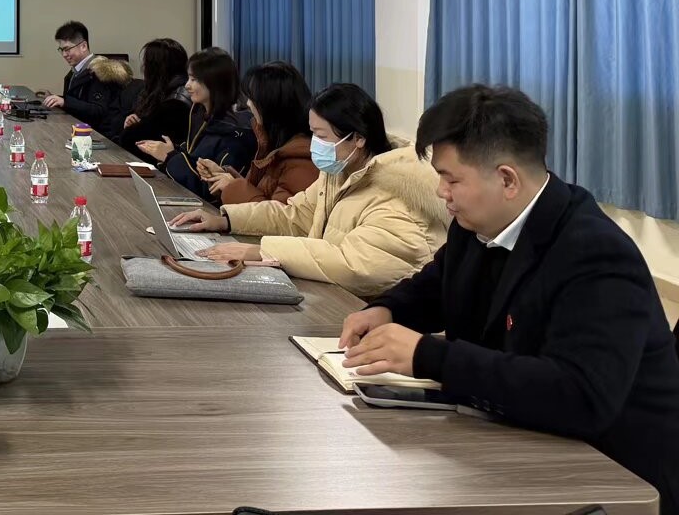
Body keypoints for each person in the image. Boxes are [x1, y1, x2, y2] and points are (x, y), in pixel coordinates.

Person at [341, 85, 679, 513]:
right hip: (516, 442)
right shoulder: (476, 224)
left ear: (507, 180)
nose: (441, 192)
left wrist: (429, 356)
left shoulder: (595, 253)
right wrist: (387, 308)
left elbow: (580, 395)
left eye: (452, 179)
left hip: (612, 478)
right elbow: (437, 285)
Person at [170, 83, 445, 298]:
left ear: (359, 138)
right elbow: (296, 216)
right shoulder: (340, 171)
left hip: (378, 318)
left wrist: (261, 250)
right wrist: (225, 220)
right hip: (335, 301)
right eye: (313, 134)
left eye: (322, 136)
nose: (315, 145)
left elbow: (356, 265)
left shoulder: (400, 192)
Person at [137, 48, 257, 191]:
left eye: (194, 79)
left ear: (214, 82)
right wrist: (172, 150)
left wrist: (170, 157)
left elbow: (211, 190)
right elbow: (194, 157)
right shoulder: (200, 114)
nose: (187, 85)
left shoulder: (236, 131)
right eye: (189, 78)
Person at [200, 61, 318, 205]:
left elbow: (276, 215)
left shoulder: (300, 160)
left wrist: (232, 186)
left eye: (253, 99)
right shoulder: (271, 143)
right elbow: (258, 193)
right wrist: (224, 178)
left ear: (271, 104)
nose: (248, 104)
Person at [41, 20, 131, 139]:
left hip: (98, 137)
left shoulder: (100, 72)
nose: (64, 54)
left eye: (67, 49)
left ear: (83, 46)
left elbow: (99, 110)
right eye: (61, 50)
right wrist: (56, 99)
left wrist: (65, 102)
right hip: (80, 132)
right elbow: (79, 100)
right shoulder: (76, 71)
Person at [118, 38, 190, 156]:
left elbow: (130, 140)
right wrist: (134, 121)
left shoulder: (175, 104)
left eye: (146, 64)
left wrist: (132, 127)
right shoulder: (164, 92)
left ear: (154, 68)